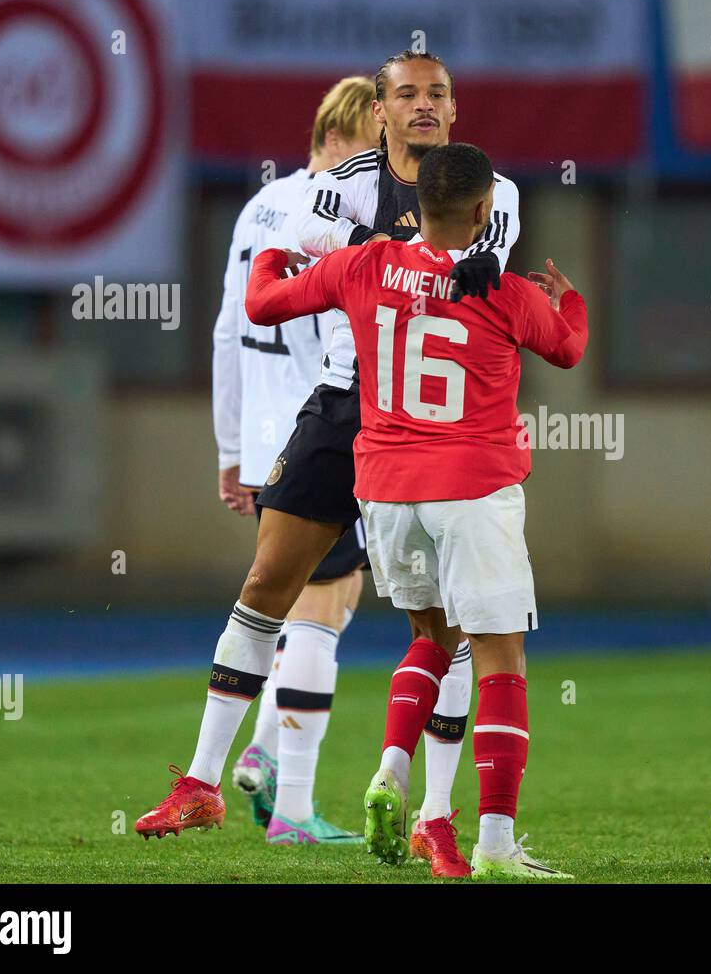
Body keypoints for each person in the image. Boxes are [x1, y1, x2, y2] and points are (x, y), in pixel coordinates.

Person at [135, 53, 513, 878]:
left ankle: (435, 817)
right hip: (342, 405)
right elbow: (326, 246)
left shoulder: (496, 191)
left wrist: (384, 258)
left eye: (437, 93)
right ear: (379, 109)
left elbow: (473, 271)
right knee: (268, 585)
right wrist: (392, 253)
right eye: (407, 93)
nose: (423, 106)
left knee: (442, 628)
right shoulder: (336, 186)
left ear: (454, 108)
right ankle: (203, 780)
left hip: (432, 428)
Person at [246, 142, 587, 879]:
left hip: (388, 489)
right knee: (499, 658)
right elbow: (567, 349)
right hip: (472, 485)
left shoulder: (363, 266)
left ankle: (391, 773)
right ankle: (494, 845)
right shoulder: (504, 292)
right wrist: (573, 301)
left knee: (429, 638)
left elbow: (264, 301)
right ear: (483, 210)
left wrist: (275, 254)